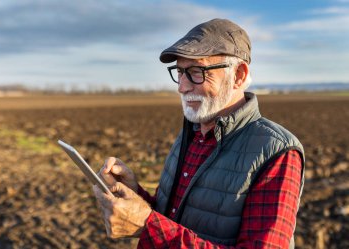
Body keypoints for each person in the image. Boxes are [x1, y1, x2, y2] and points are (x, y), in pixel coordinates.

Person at [93, 18, 305, 248]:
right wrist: (134, 194)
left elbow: (160, 228)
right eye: (180, 72)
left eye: (196, 72)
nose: (182, 86)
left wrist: (148, 225)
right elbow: (175, 219)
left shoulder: (275, 152)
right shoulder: (191, 134)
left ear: (239, 75)